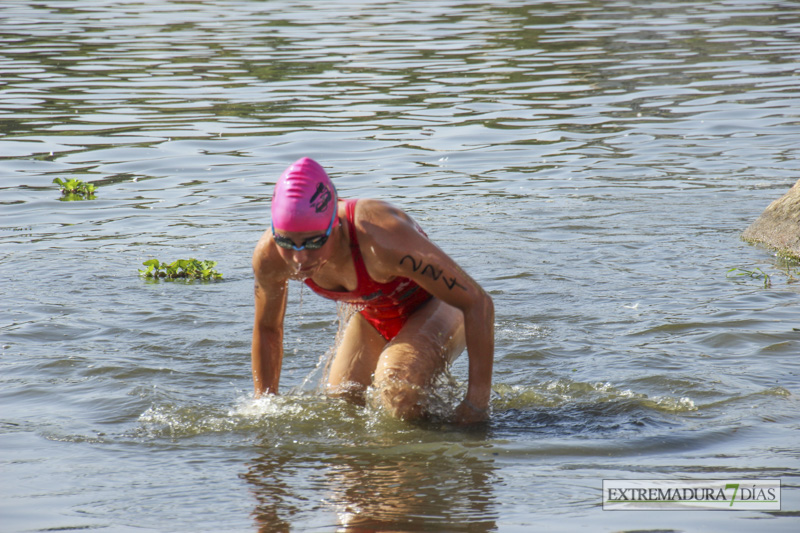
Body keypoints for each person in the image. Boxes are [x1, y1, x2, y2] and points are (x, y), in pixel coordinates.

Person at [251, 157, 494, 424]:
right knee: (344, 403)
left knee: (397, 386)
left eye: (314, 242)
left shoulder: (381, 237)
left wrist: (476, 405)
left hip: (440, 306)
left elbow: (477, 302)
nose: (300, 259)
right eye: (286, 241)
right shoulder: (270, 257)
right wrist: (265, 407)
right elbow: (268, 329)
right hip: (375, 317)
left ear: (336, 224)